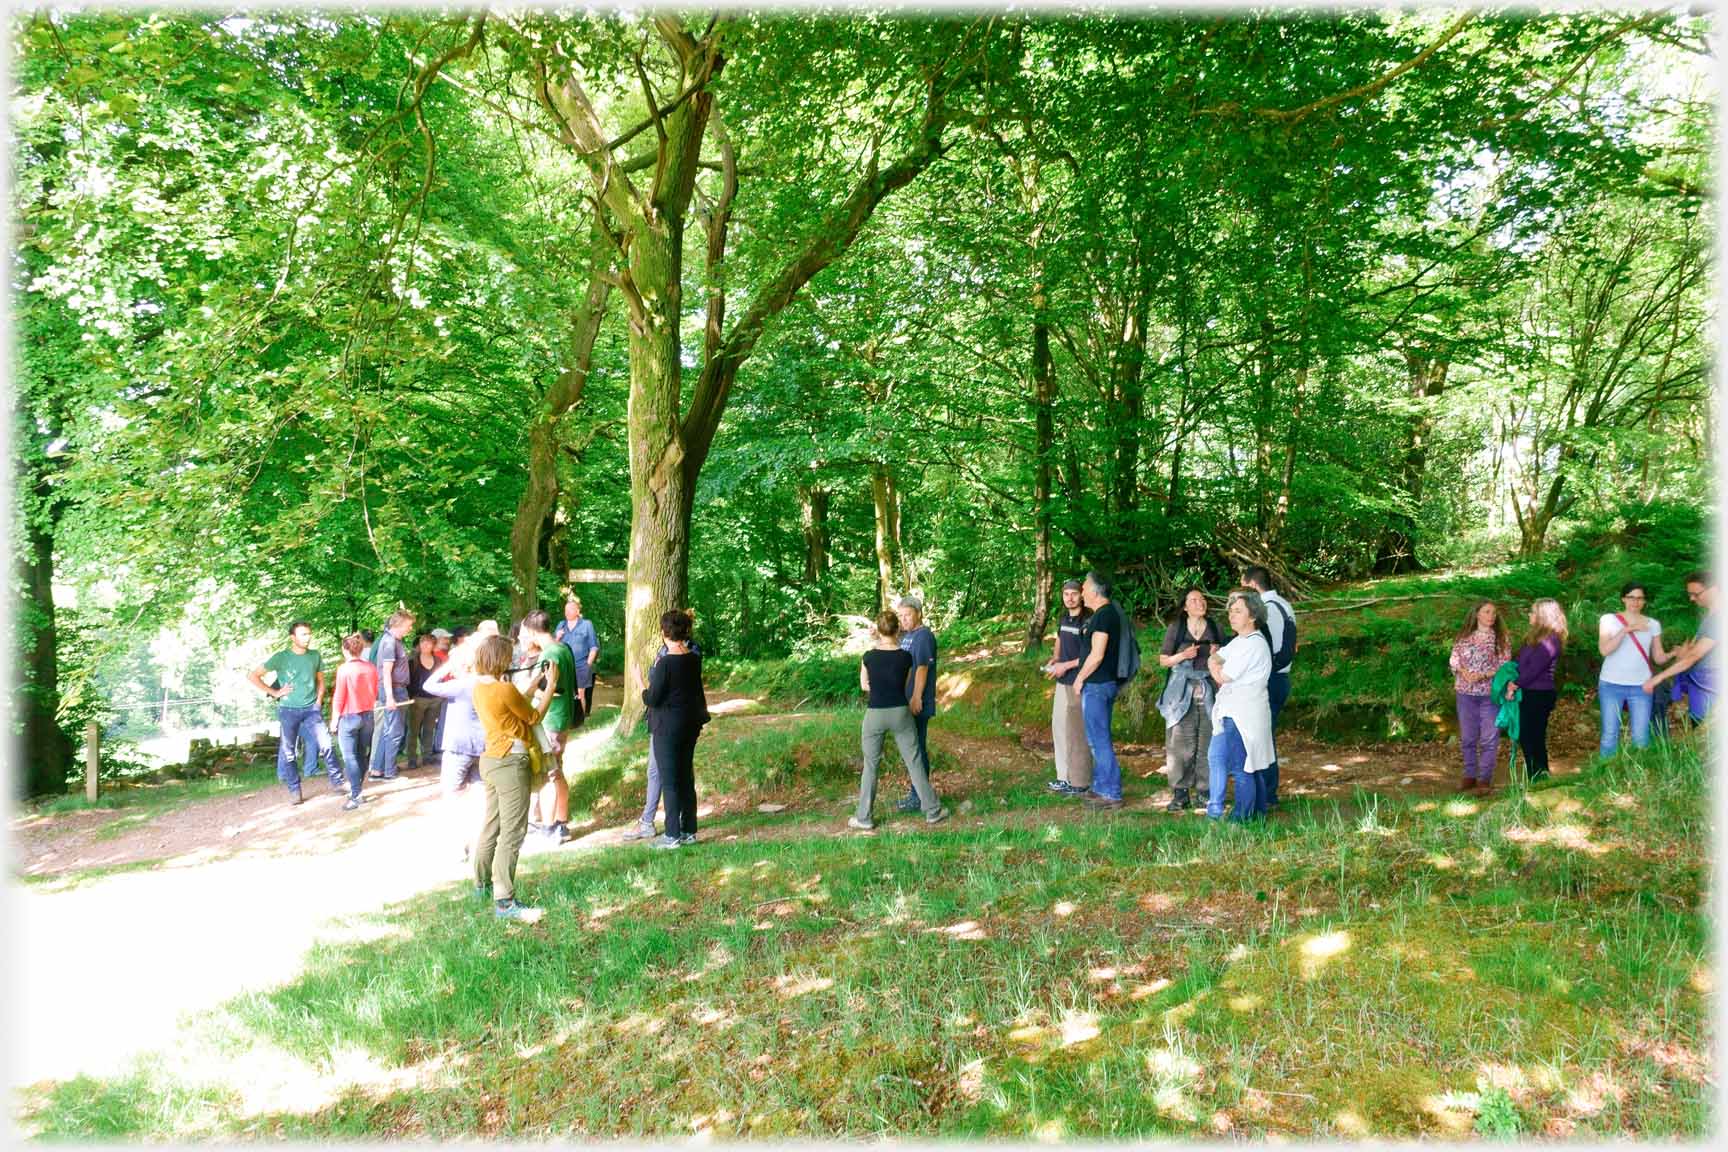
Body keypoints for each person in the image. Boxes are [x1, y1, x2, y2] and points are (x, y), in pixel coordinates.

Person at [472, 634, 552, 921]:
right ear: (499, 659)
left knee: (491, 825)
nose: (511, 659)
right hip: (510, 762)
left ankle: (481, 885)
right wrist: (551, 685)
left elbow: (510, 707)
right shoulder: (503, 689)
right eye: (507, 656)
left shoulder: (480, 688)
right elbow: (533, 717)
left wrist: (532, 684)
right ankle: (504, 901)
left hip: (490, 760)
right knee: (513, 831)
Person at [852, 610, 948, 830]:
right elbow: (904, 684)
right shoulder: (906, 657)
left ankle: (864, 818)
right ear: (898, 630)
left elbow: (865, 686)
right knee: (914, 761)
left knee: (871, 765)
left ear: (879, 630)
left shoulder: (868, 657)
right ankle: (932, 811)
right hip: (900, 713)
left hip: (875, 713)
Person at [635, 610, 709, 849]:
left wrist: (640, 683)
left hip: (667, 727)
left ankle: (672, 835)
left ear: (664, 632)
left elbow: (652, 698)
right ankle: (689, 830)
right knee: (686, 777)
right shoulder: (693, 658)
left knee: (669, 780)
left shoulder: (666, 662)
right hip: (690, 723)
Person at [248, 621, 341, 805]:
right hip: (288, 710)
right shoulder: (281, 657)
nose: (308, 637)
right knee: (289, 752)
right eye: (303, 634)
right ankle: (294, 791)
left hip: (311, 710)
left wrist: (318, 700)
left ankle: (339, 783)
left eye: (309, 634)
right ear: (293, 637)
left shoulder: (315, 656)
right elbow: (253, 676)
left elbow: (321, 681)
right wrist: (275, 692)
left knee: (327, 745)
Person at [1205, 589, 1275, 822]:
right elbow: (1215, 657)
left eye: (1237, 611)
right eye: (1231, 611)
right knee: (1225, 758)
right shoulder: (1240, 641)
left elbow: (1222, 675)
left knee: (1243, 767)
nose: (1231, 616)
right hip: (1232, 711)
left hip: (1243, 714)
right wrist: (1215, 664)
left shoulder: (1253, 644)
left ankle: (1243, 818)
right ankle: (1255, 814)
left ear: (1252, 616)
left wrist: (1215, 667)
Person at [423, 630, 488, 865]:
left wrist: (447, 666)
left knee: (452, 796)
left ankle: (460, 847)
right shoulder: (487, 682)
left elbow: (428, 685)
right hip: (483, 746)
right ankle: (480, 842)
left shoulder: (460, 685)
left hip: (458, 747)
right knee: (481, 795)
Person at [1158, 586, 1222, 812]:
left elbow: (1227, 658)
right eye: (1194, 600)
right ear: (1185, 607)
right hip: (1181, 692)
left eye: (1202, 599)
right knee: (1180, 743)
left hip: (1209, 690)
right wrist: (1183, 655)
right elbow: (1163, 660)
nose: (1200, 602)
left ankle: (1204, 791)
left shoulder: (1214, 627)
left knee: (1207, 741)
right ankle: (1180, 793)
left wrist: (1217, 654)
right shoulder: (1176, 628)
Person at [520, 609, 579, 844]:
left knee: (549, 774)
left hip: (551, 719)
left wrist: (527, 690)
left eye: (526, 633)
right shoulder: (562, 648)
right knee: (556, 771)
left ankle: (551, 826)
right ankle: (561, 822)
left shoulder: (550, 654)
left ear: (533, 631)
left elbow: (546, 689)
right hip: (561, 717)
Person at [1072, 571, 1127, 811]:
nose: (1082, 592)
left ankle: (1111, 792)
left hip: (1097, 685)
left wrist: (1080, 678)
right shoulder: (1105, 614)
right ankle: (1100, 786)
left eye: (1084, 588)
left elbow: (1097, 655)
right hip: (1102, 684)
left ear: (1095, 591)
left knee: (1098, 739)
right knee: (1097, 737)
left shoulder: (1104, 615)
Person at [1597, 581, 1671, 757]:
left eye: (1640, 598)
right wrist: (1626, 630)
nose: (1635, 602)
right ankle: (1606, 771)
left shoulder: (1653, 624)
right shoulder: (1609, 620)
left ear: (1644, 601)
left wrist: (1675, 654)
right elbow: (1604, 650)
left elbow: (1658, 657)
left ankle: (1639, 771)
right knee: (1609, 735)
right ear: (1623, 599)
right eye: (1631, 597)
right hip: (1611, 684)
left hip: (1642, 686)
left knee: (1641, 737)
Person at [1242, 566, 1295, 809]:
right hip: (1281, 678)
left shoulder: (1267, 609)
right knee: (1265, 735)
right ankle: (1267, 792)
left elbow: (1265, 647)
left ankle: (1266, 794)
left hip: (1270, 679)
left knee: (1261, 737)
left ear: (1252, 585)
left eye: (1244, 586)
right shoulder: (1284, 604)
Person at [1449, 601, 1511, 793]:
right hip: (1465, 694)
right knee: (1468, 737)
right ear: (1477, 614)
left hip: (1489, 696)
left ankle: (1484, 779)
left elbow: (1505, 666)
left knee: (1489, 739)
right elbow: (1454, 659)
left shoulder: (1501, 638)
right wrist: (1463, 671)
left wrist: (1482, 675)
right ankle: (1469, 775)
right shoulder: (1464, 637)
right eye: (1487, 612)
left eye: (1494, 612)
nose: (1491, 616)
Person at [1506, 599, 1568, 782]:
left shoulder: (1551, 640)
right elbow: (1521, 663)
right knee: (1528, 736)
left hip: (1539, 694)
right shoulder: (1533, 639)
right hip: (1528, 692)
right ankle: (1537, 775)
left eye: (1533, 612)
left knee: (1532, 736)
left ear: (1543, 616)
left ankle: (1539, 775)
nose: (1529, 615)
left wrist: (1515, 684)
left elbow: (1534, 669)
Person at [1645, 571, 1718, 723]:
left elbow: (1694, 657)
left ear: (1714, 589)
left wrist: (1659, 677)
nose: (1692, 598)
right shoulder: (1709, 616)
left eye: (1696, 594)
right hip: (1700, 688)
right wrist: (1683, 651)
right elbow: (1693, 651)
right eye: (1690, 594)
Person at [1043, 579, 1093, 797]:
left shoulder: (1088, 620)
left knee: (1077, 732)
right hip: (1062, 681)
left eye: (1074, 594)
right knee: (1059, 728)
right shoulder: (1064, 618)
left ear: (1081, 595)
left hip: (1079, 681)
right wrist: (1056, 659)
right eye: (1066, 594)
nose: (1070, 598)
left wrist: (1066, 665)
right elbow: (1060, 639)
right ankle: (1063, 777)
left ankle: (1080, 778)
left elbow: (1091, 655)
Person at [893, 596, 941, 813]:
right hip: (906, 700)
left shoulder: (923, 636)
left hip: (918, 701)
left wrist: (916, 697)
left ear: (919, 614)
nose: (903, 619)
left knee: (917, 749)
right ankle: (918, 794)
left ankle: (919, 797)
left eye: (907, 615)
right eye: (900, 616)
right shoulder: (908, 636)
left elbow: (922, 668)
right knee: (912, 748)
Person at [327, 632, 378, 810]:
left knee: (350, 757)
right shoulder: (371, 668)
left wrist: (334, 720)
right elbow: (375, 691)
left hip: (349, 717)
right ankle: (357, 790)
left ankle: (356, 795)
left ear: (344, 650)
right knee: (361, 754)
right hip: (368, 716)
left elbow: (339, 696)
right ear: (361, 649)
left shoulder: (344, 669)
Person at [368, 610, 415, 781]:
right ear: (398, 624)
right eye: (408, 625)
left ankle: (377, 770)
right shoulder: (389, 642)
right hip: (394, 690)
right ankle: (390, 772)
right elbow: (386, 672)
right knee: (394, 732)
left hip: (395, 689)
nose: (410, 629)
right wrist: (390, 697)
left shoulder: (394, 641)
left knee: (387, 731)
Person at [554, 597, 600, 721]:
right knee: (564, 694)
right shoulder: (561, 625)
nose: (567, 612)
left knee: (580, 694)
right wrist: (557, 637)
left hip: (581, 666)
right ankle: (567, 720)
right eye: (565, 610)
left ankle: (580, 721)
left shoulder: (586, 624)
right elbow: (552, 646)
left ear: (577, 611)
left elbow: (594, 647)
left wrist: (588, 664)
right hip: (564, 666)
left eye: (570, 609)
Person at [406, 633, 442, 771]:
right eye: (422, 642)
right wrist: (410, 697)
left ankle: (427, 755)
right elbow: (408, 681)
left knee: (429, 729)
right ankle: (412, 758)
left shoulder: (438, 661)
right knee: (413, 730)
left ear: (433, 645)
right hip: (417, 699)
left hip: (434, 699)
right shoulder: (412, 661)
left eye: (428, 643)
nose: (425, 645)